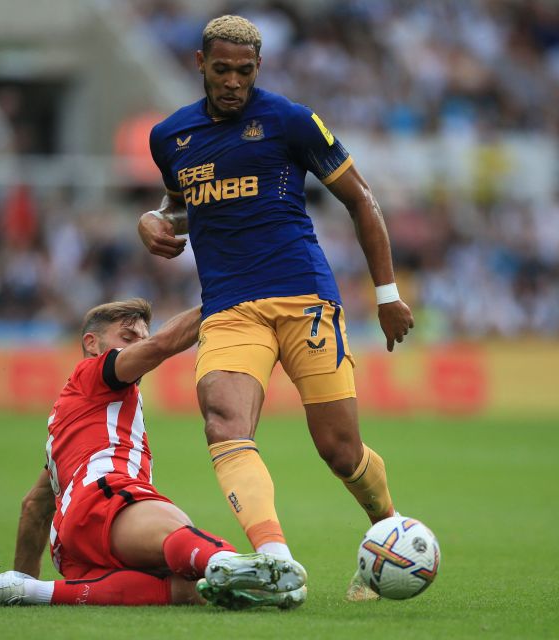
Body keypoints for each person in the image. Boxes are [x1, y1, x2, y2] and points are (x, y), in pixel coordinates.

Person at [137, 15, 415, 600]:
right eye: (221, 70)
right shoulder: (171, 136)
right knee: (224, 421)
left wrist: (386, 295)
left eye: (244, 71)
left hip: (303, 296)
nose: (233, 82)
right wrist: (154, 221)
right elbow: (186, 202)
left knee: (340, 451)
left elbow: (361, 199)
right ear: (199, 64)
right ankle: (275, 558)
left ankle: (388, 529)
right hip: (230, 306)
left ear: (258, 68)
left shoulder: (290, 120)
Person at [0, 299, 306, 610]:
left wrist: (22, 576)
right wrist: (224, 298)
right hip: (105, 501)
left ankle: (32, 592)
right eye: (128, 337)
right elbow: (161, 346)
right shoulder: (93, 373)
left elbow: (35, 506)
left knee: (189, 589)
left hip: (75, 548)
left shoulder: (67, 429)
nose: (139, 345)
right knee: (184, 538)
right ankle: (238, 561)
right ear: (92, 344)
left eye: (142, 336)